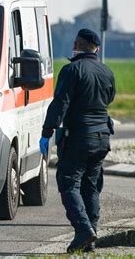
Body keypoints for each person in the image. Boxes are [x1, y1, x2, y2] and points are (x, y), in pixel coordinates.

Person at [39, 29, 116, 253]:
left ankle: (83, 230)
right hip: (102, 137)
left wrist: (47, 131)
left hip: (79, 137)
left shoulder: (71, 70)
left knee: (69, 183)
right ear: (97, 49)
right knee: (91, 186)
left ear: (76, 44)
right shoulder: (107, 71)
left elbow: (60, 103)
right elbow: (110, 98)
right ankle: (90, 236)